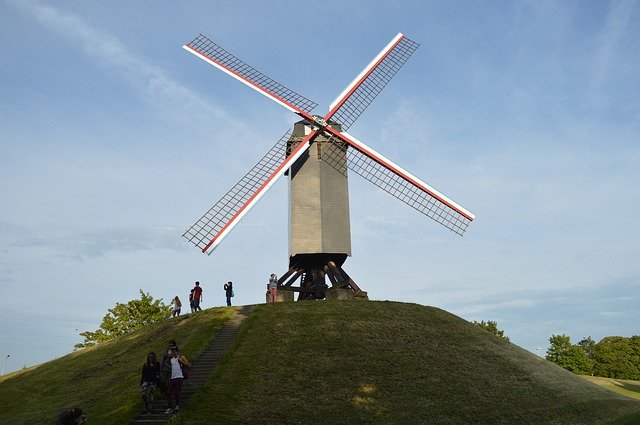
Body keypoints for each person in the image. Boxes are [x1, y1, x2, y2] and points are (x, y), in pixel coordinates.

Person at [165, 346, 191, 414]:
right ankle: (170, 407)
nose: (173, 352)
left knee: (177, 392)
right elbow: (169, 366)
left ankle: (177, 405)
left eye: (174, 351)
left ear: (177, 351)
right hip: (172, 378)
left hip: (179, 377)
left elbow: (188, 364)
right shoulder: (171, 359)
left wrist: (181, 361)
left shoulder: (181, 357)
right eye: (172, 351)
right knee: (169, 393)